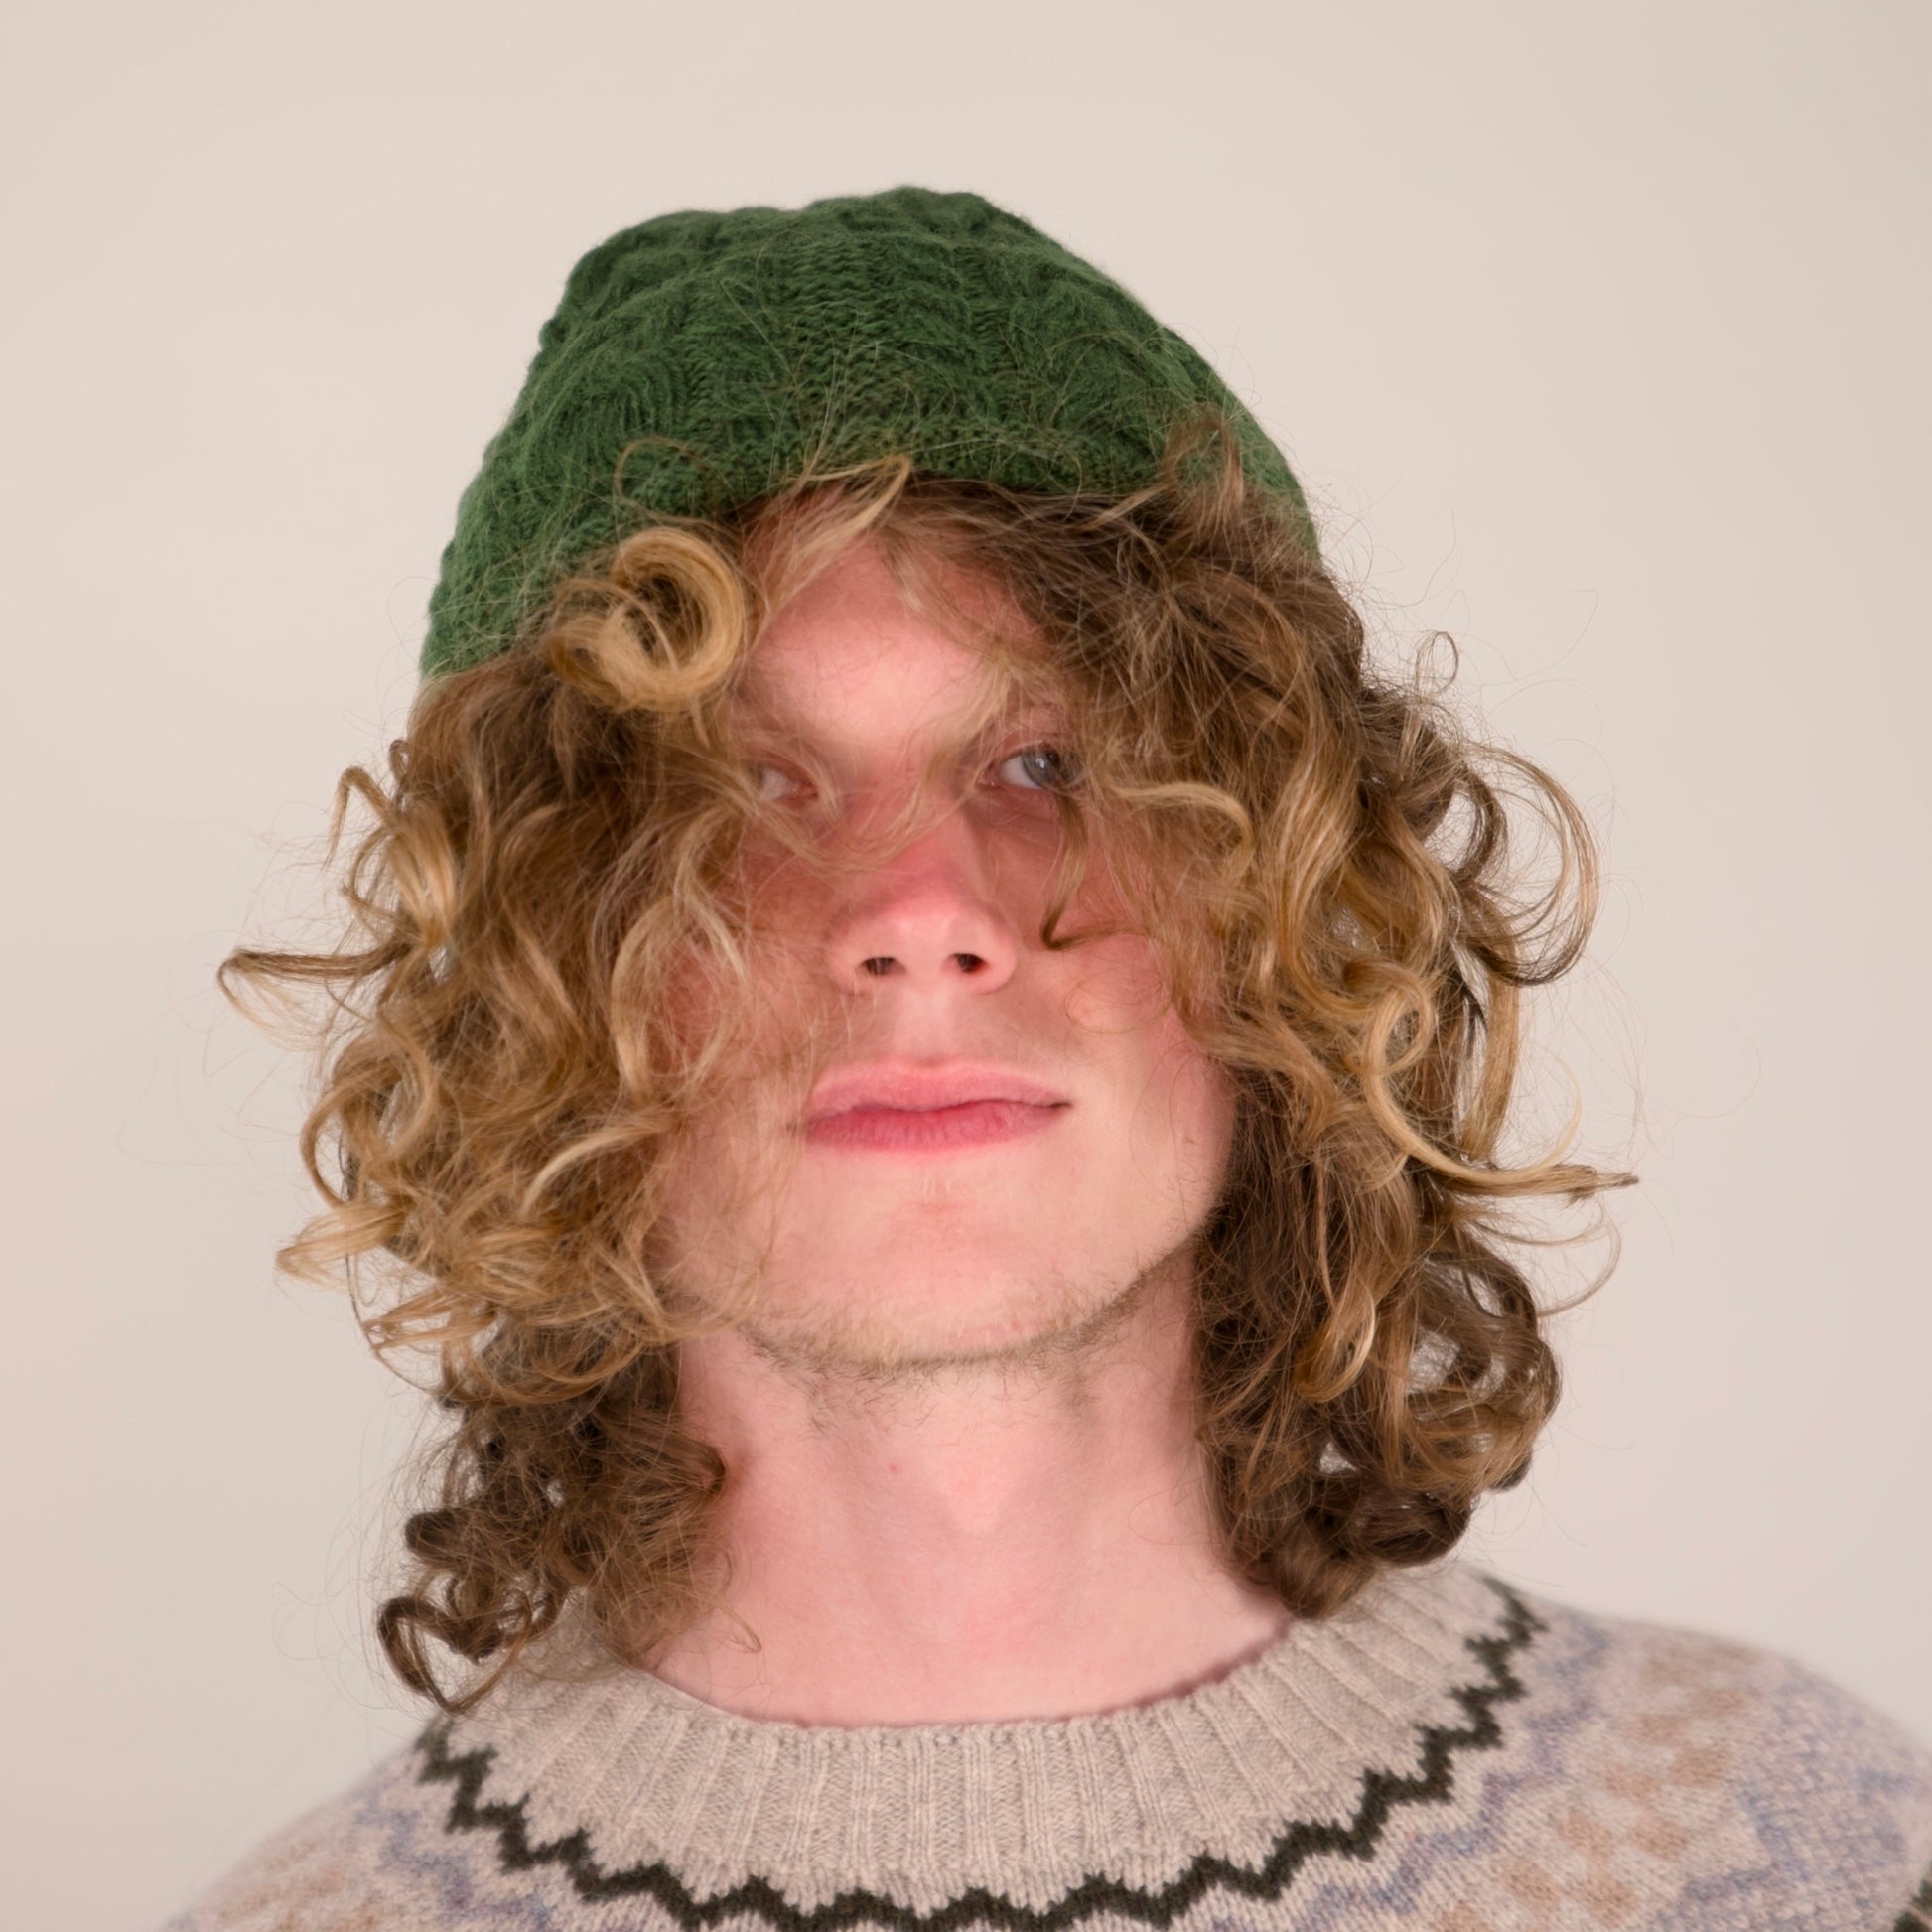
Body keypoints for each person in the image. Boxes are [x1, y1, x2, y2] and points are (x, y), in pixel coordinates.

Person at [165, 187, 1932, 1930]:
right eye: (749, 789)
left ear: (1287, 910)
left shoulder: (1795, 1857)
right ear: (542, 973)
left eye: (1044, 766)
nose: (921, 912)